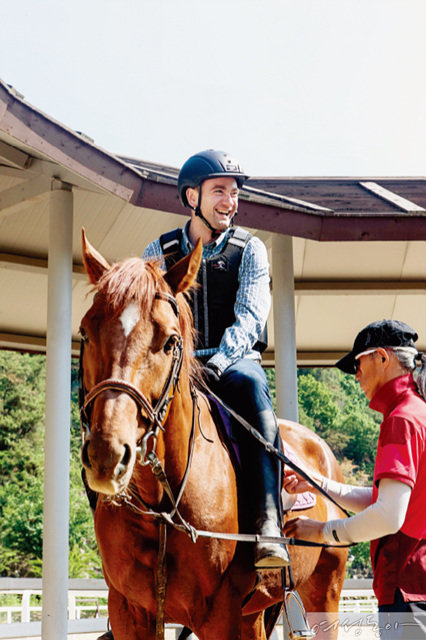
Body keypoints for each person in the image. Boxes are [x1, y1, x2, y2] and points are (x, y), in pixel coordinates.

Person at [143, 149, 289, 569]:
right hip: (178, 366)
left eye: (234, 192)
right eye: (219, 192)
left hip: (233, 363)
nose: (230, 201)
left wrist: (218, 364)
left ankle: (268, 526)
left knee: (252, 388)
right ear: (192, 197)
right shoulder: (159, 249)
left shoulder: (251, 250)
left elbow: (249, 318)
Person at [283, 319, 426, 638]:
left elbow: (389, 516)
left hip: (408, 593)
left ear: (383, 358)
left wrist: (322, 531)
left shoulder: (401, 420)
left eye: (358, 362)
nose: (355, 374)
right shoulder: (418, 411)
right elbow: (386, 500)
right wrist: (318, 483)